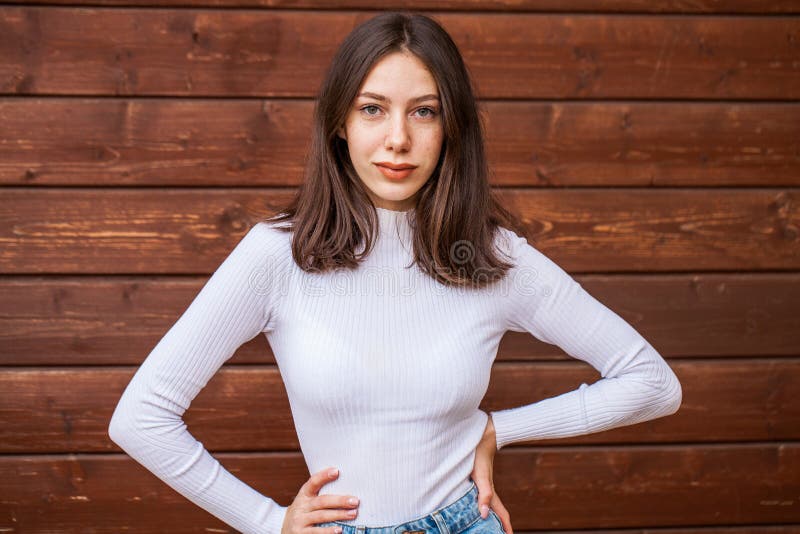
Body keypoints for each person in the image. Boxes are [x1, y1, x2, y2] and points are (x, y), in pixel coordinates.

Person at [108, 11, 683, 534]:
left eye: (424, 111)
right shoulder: (276, 256)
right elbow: (141, 419)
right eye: (372, 108)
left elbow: (653, 384)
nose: (399, 139)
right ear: (340, 122)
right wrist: (268, 522)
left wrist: (498, 429)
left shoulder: (491, 256)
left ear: (451, 126)